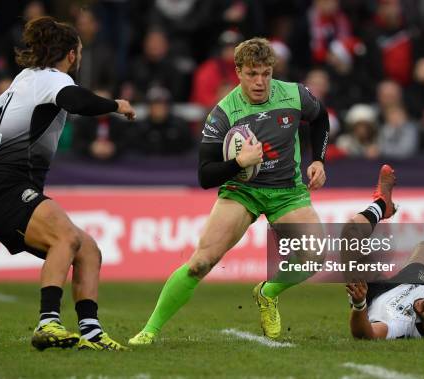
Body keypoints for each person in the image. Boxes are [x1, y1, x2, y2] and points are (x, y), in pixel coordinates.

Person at [129, 37, 330, 345]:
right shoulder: (223, 114)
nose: (260, 81)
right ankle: (149, 330)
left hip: (287, 192)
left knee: (315, 256)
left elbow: (320, 118)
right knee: (200, 263)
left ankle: (268, 293)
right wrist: (239, 162)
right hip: (241, 191)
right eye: (252, 73)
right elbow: (205, 175)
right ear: (238, 72)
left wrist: (318, 159)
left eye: (266, 73)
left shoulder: (295, 94)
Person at [0, 16, 136, 352]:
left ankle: (91, 332)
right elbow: (78, 102)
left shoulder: (24, 79)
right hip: (9, 186)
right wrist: (116, 106)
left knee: (88, 248)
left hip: (3, 189)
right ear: (72, 55)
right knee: (65, 236)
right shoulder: (53, 79)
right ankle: (48, 321)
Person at [344, 165, 424, 339]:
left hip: (371, 294)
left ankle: (382, 205)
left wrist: (359, 304)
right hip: (407, 284)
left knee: (351, 232)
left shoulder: (402, 325)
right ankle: (385, 206)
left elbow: (365, 335)